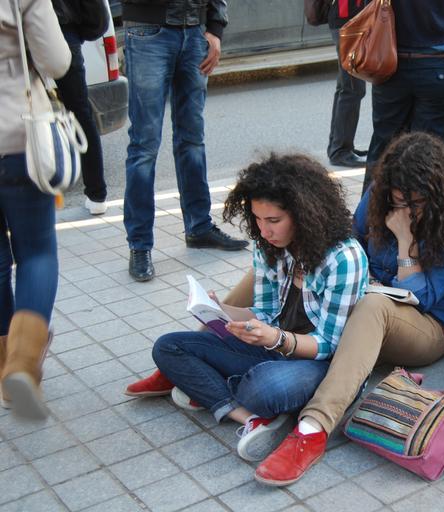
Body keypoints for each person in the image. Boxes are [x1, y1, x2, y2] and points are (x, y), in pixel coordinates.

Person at [255, 132, 444, 486]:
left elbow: (420, 296)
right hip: (362, 300)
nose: (405, 210)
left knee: (374, 304)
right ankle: (213, 328)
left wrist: (404, 239)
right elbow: (346, 243)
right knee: (280, 253)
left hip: (423, 327)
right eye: (398, 200)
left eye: (416, 203)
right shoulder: (378, 197)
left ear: (437, 195)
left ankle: (313, 428)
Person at [124, 154, 368, 461]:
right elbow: (265, 313)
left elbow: (329, 344)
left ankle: (211, 386)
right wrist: (221, 310)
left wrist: (276, 339)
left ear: (306, 214)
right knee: (167, 347)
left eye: (274, 221)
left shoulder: (344, 258)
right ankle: (249, 417)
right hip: (271, 348)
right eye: (257, 219)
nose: (264, 231)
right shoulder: (270, 247)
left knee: (266, 388)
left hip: (318, 363)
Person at [122, 0, 248, 283]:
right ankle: (139, 244)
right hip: (147, 30)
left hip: (194, 31)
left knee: (192, 139)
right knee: (144, 146)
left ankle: (199, 227)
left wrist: (215, 29)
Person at [0, 0, 71, 420]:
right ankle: (22, 364)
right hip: (18, 136)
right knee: (37, 253)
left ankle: (3, 365)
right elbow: (57, 60)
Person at [362, 0, 444, 190]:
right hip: (436, 62)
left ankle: (372, 206)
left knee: (384, 146)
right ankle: (424, 205)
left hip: (389, 61)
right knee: (429, 149)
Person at [52, 0, 110, 215]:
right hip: (66, 34)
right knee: (81, 113)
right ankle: (97, 194)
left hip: (27, 36)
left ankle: (30, 190)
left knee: (23, 112)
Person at [327, 0, 367, 168]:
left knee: (345, 87)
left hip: (346, 20)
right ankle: (340, 150)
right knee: (352, 89)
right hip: (348, 21)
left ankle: (338, 146)